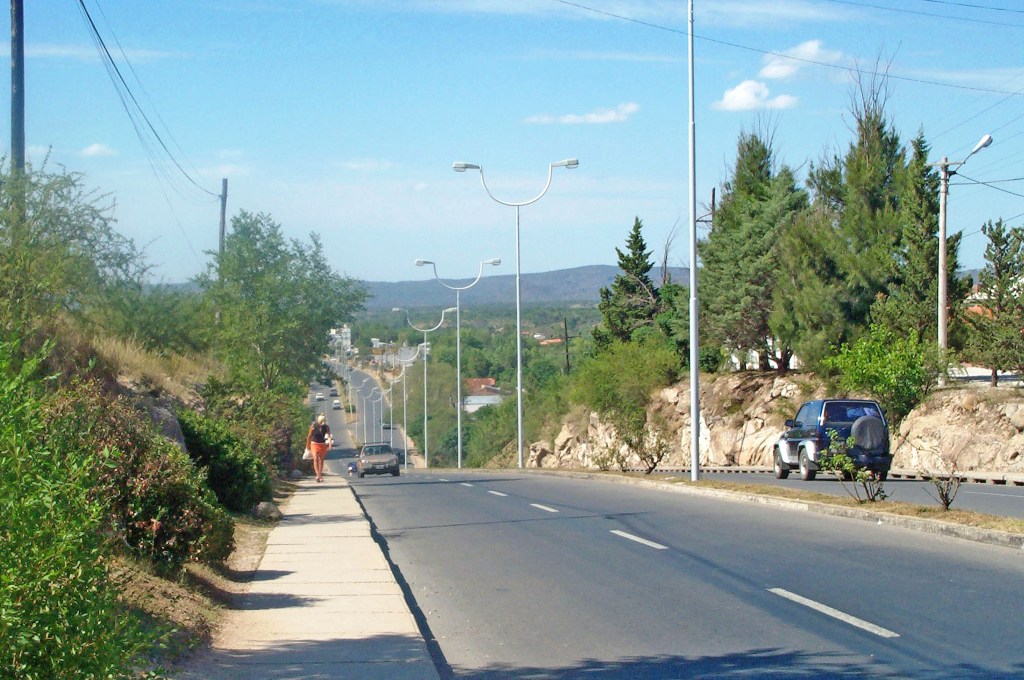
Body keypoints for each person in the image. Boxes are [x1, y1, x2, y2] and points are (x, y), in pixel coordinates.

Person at [306, 413, 332, 482]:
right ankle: (317, 475)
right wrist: (307, 445)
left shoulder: (326, 427)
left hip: (322, 444)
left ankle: (320, 475)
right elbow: (309, 436)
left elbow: (329, 436)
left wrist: (330, 444)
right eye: (321, 422)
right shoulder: (313, 426)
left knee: (321, 460)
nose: (322, 424)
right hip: (314, 444)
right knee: (315, 458)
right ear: (318, 421)